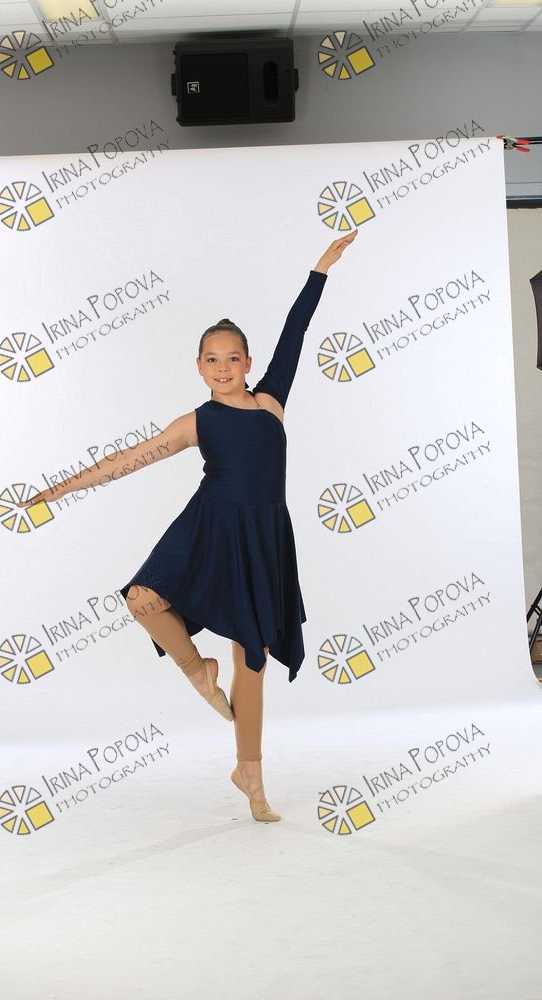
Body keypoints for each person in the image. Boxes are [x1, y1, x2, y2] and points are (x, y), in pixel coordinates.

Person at [18, 230, 358, 822]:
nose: (223, 367)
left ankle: (250, 775)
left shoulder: (272, 402)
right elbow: (128, 460)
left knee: (252, 661)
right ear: (199, 368)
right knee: (142, 599)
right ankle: (197, 670)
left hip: (262, 538)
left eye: (233, 358)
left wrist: (320, 270)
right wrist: (59, 489)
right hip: (208, 528)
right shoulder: (196, 421)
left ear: (248, 363)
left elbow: (296, 331)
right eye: (212, 359)